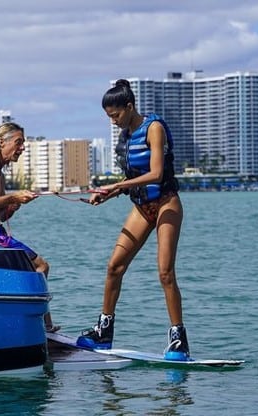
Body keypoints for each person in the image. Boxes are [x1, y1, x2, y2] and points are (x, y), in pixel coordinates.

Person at [76, 79, 190, 361]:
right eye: (108, 117)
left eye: (115, 115)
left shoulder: (154, 128)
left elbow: (155, 174)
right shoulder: (125, 136)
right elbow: (132, 179)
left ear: (129, 107)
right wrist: (108, 193)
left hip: (165, 204)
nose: (113, 121)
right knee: (114, 267)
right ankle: (104, 331)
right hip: (141, 206)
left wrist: (117, 188)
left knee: (165, 273)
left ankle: (179, 340)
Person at [0, 122, 60, 333]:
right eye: (18, 143)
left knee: (30, 269)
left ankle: (40, 324)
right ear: (2, 142)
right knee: (40, 266)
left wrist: (11, 207)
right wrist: (13, 196)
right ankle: (43, 326)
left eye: (23, 144)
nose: (22, 148)